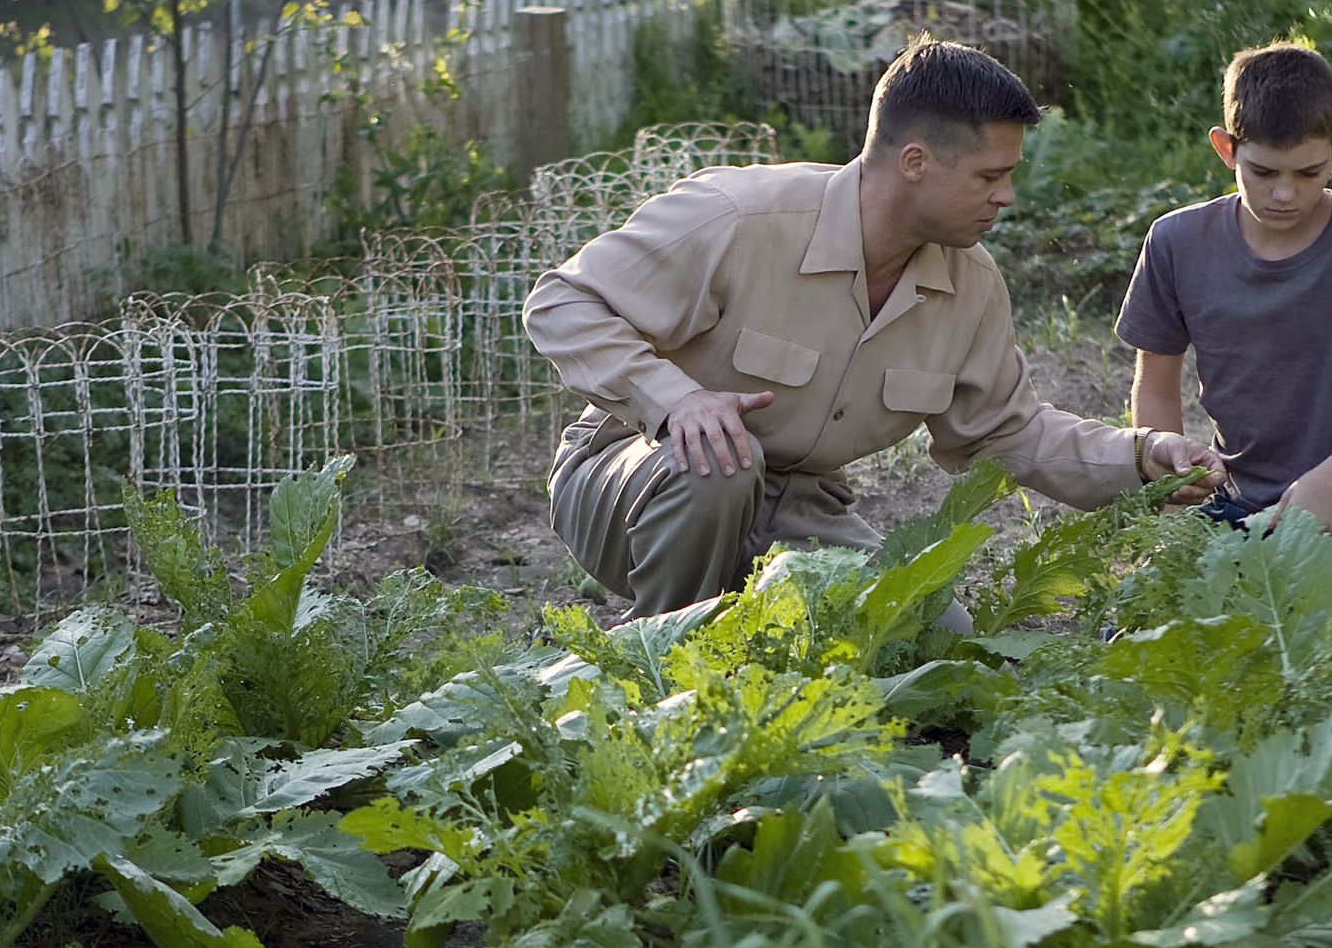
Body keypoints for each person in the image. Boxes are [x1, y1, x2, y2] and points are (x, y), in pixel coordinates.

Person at [524, 37, 1225, 621]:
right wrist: (675, 401)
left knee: (938, 637)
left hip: (795, 510)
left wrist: (1140, 456)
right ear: (915, 162)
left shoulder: (970, 282)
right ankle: (656, 666)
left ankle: (746, 640)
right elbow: (561, 302)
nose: (1007, 196)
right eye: (989, 176)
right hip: (635, 481)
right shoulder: (739, 218)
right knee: (717, 461)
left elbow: (1006, 433)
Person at [1117, 42, 1332, 553]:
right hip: (1232, 505)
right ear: (1226, 149)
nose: (1285, 194)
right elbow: (1155, 385)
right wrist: (1170, 485)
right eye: (1263, 173)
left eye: (1309, 173)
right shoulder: (1176, 242)